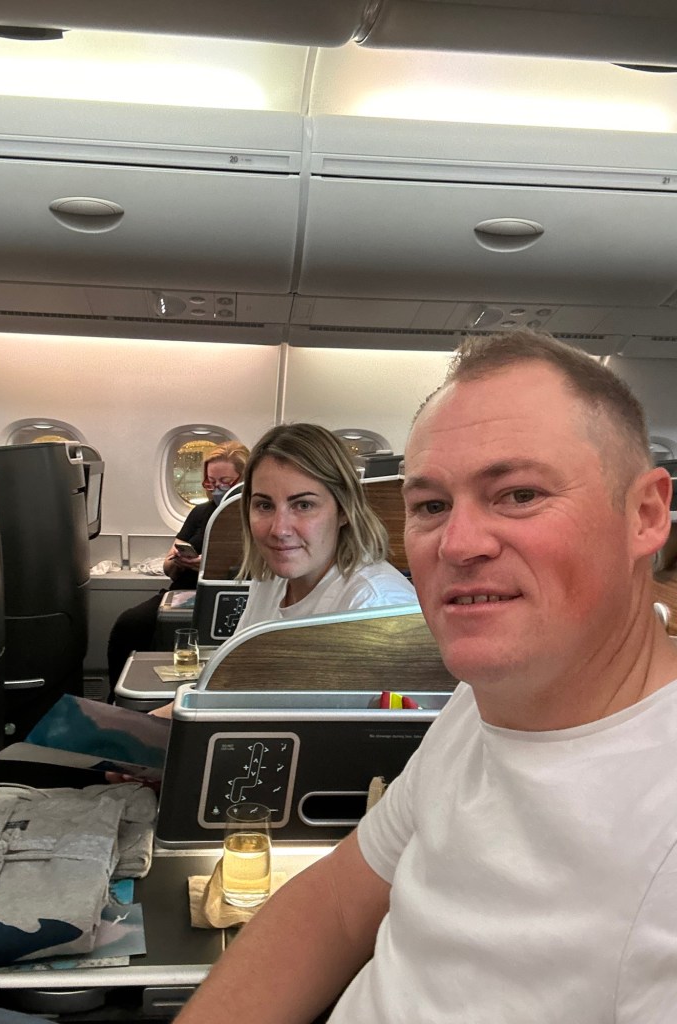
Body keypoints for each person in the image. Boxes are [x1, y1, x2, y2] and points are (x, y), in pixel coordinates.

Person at [173, 330, 677, 1024]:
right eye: (432, 505)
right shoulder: (481, 705)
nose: (459, 545)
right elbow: (336, 904)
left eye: (519, 493)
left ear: (645, 514)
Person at [234, 422, 416, 630]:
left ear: (344, 510)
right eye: (265, 506)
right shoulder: (269, 581)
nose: (279, 530)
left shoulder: (373, 606)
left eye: (304, 505)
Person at [106, 440, 249, 690]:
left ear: (243, 479)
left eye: (224, 482)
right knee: (128, 624)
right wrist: (178, 561)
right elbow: (167, 569)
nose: (216, 489)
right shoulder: (199, 513)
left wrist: (207, 567)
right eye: (210, 483)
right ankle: (119, 695)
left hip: (223, 595)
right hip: (181, 591)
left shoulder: (252, 517)